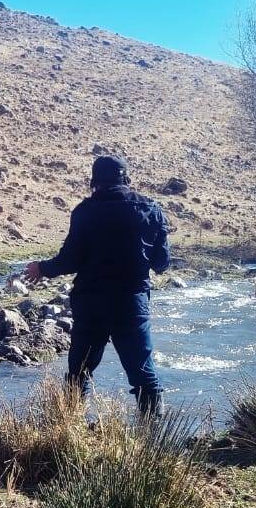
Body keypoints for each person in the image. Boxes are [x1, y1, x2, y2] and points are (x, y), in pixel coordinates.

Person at [25, 154, 171, 415]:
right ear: (126, 178)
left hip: (91, 303)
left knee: (79, 371)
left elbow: (68, 261)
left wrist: (41, 269)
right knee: (143, 372)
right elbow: (162, 264)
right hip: (131, 304)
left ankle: (70, 427)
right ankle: (154, 436)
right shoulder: (150, 209)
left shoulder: (84, 212)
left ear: (94, 181)